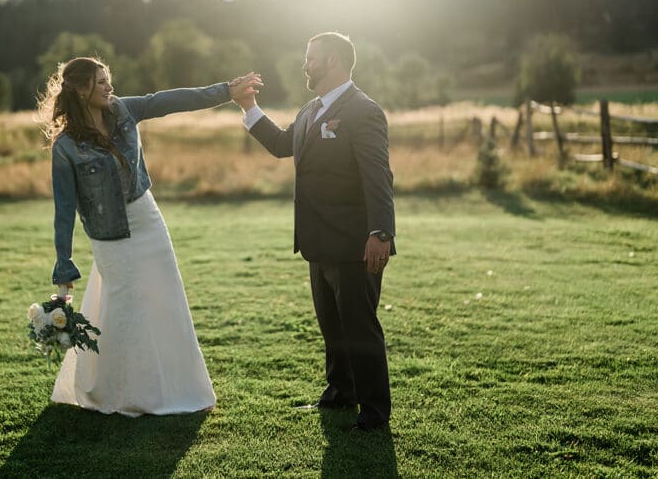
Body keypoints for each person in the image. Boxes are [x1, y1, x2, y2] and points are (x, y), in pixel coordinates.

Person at [37, 56, 261, 416]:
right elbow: (64, 211)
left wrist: (226, 91)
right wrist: (63, 267)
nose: (110, 87)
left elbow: (169, 100)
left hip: (146, 219)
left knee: (164, 299)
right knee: (126, 309)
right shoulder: (66, 148)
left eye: (108, 79)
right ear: (80, 91)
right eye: (101, 82)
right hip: (108, 236)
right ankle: (120, 394)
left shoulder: (123, 110)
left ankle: (174, 390)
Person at [232, 32, 396, 432]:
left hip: (356, 242)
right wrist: (250, 107)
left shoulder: (364, 110)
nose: (305, 66)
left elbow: (378, 176)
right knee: (332, 326)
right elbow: (281, 144)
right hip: (317, 241)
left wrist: (381, 233)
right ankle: (340, 393)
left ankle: (374, 411)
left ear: (335, 60)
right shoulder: (310, 110)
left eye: (311, 59)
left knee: (359, 328)